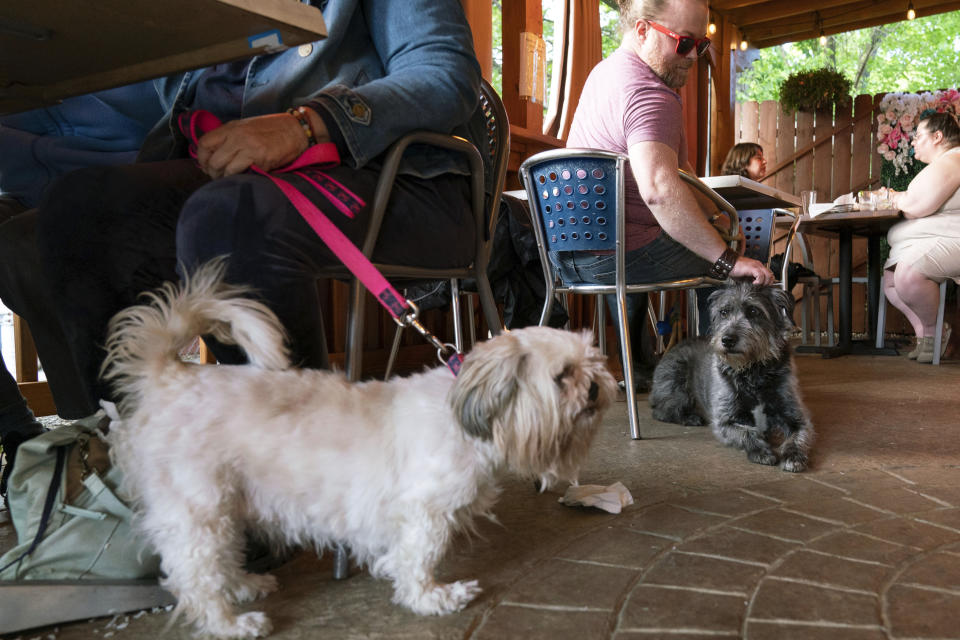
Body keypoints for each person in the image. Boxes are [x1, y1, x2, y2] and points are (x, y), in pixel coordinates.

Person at [35, 0, 483, 411]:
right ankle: (120, 449)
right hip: (226, 178)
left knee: (227, 217)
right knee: (76, 208)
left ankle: (304, 453)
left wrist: (305, 126)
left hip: (397, 178)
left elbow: (444, 76)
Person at [563, 0, 773, 387]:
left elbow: (681, 176)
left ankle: (641, 366)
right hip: (621, 258)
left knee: (714, 236)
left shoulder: (604, 73)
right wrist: (728, 259)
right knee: (739, 264)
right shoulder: (650, 92)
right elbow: (660, 191)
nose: (693, 56)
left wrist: (717, 215)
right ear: (642, 30)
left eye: (702, 45)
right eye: (683, 43)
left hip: (567, 255)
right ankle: (725, 383)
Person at [0, 83, 164, 501]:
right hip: (20, 188)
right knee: (27, 237)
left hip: (135, 170)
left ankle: (107, 451)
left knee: (30, 243)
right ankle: (16, 430)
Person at [880, 111, 960, 363]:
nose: (913, 142)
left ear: (937, 137)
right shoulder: (945, 164)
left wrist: (894, 197)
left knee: (909, 274)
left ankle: (935, 334)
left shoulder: (953, 160)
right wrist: (898, 196)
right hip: (943, 239)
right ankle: (927, 336)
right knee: (891, 281)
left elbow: (916, 206)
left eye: (919, 136)